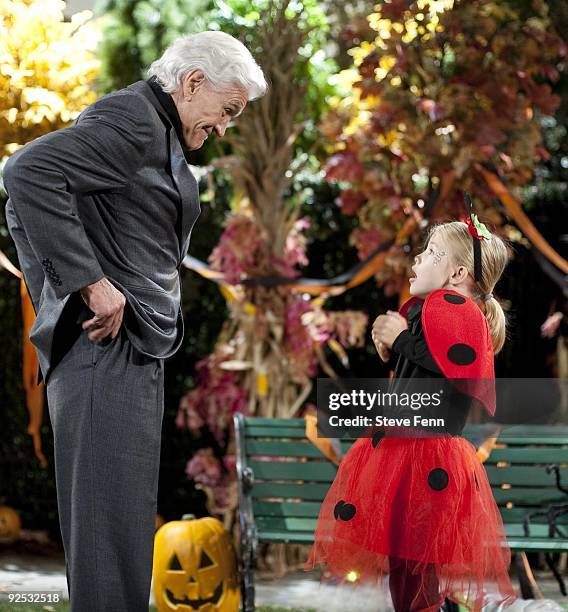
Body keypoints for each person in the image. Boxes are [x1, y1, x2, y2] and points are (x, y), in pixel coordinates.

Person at [4, 31, 267, 612]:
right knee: (106, 535)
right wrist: (83, 287)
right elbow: (23, 176)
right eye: (227, 110)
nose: (224, 127)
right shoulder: (135, 122)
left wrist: (63, 290)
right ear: (193, 82)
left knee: (120, 532)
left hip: (126, 353)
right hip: (103, 355)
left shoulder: (155, 127)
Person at [304, 216, 518, 611]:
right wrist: (395, 347)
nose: (418, 259)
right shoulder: (439, 310)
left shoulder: (452, 307)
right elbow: (424, 374)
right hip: (413, 449)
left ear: (457, 273)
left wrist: (400, 339)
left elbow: (451, 372)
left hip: (423, 452)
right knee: (412, 560)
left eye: (431, 252)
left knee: (417, 561)